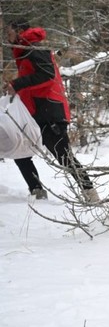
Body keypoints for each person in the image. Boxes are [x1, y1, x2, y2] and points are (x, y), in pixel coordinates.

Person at [4, 20, 99, 203]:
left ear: (20, 31)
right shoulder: (25, 52)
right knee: (20, 150)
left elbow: (46, 75)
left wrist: (17, 84)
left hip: (49, 110)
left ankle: (91, 195)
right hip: (34, 112)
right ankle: (37, 192)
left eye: (9, 33)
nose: (7, 38)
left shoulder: (35, 49)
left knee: (63, 156)